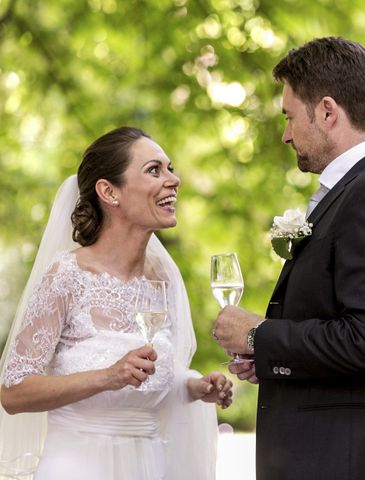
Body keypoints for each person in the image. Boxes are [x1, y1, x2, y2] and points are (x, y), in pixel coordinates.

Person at [213, 37, 365, 479]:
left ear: (327, 111)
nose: (285, 133)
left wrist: (259, 336)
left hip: (362, 461)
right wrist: (270, 357)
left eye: (289, 116)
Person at [0, 127, 232, 480]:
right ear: (109, 192)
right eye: (154, 170)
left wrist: (193, 388)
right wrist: (108, 376)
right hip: (79, 467)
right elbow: (13, 392)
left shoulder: (163, 279)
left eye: (170, 169)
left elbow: (149, 379)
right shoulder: (68, 274)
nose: (174, 180)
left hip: (150, 466)